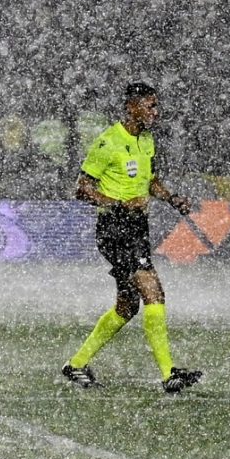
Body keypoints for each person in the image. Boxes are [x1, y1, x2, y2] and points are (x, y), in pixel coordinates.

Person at [62, 82, 202, 393]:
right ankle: (169, 374)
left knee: (127, 306)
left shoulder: (147, 141)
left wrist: (172, 198)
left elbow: (150, 181)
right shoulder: (108, 142)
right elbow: (82, 188)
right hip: (115, 229)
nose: (156, 112)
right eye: (150, 106)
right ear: (131, 107)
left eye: (156, 105)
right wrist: (117, 204)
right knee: (154, 293)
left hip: (137, 228)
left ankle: (76, 364)